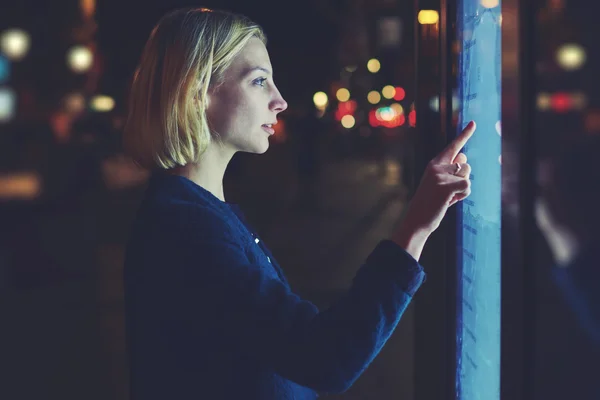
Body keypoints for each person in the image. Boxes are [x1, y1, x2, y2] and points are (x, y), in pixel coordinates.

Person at [122, 8, 475, 400]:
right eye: (259, 81)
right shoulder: (187, 229)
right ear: (196, 92)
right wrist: (416, 227)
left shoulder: (196, 213)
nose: (280, 101)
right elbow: (324, 356)